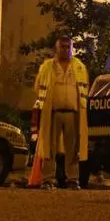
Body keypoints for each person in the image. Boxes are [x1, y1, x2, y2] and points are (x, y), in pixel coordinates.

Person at [32, 36, 90, 189]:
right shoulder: (47, 67)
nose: (66, 49)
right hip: (53, 112)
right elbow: (38, 86)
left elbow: (85, 88)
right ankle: (48, 180)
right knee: (49, 148)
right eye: (62, 47)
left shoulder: (79, 67)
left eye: (68, 47)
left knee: (73, 148)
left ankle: (72, 179)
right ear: (56, 49)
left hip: (73, 113)